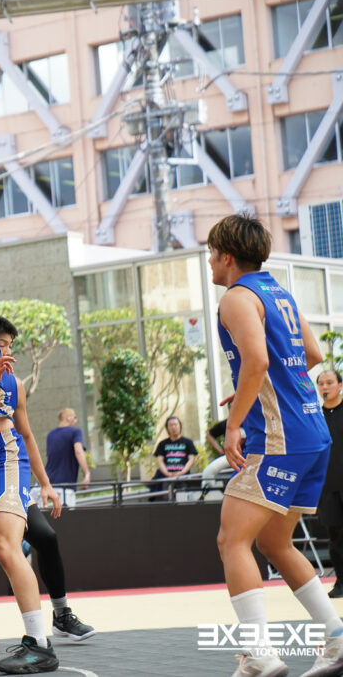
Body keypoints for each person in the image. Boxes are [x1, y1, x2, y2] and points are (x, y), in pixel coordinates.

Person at [208, 213, 343, 677]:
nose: (210, 262)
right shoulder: (278, 291)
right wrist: (257, 389)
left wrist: (233, 424)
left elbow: (258, 360)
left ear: (228, 257)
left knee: (232, 539)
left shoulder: (236, 297)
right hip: (313, 433)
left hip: (280, 437)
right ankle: (336, 636)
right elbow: (312, 354)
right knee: (274, 541)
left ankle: (259, 653)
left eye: (212, 253)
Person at [0, 315, 92, 670]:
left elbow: (26, 434)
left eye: (9, 346)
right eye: (2, 344)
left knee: (12, 545)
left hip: (4, 457)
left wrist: (45, 483)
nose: (7, 352)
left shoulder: (11, 382)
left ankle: (42, 638)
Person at [317, 369, 343, 598]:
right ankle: (341, 582)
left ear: (340, 385)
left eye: (329, 382)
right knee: (335, 536)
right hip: (327, 485)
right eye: (321, 383)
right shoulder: (315, 416)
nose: (325, 387)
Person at [44, 409, 91, 507]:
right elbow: (78, 451)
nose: (76, 421)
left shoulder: (50, 435)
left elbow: (49, 457)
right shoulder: (75, 432)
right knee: (67, 516)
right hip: (66, 487)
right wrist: (87, 473)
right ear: (68, 418)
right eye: (75, 417)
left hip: (47, 485)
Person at [148, 416, 198, 499]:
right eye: (171, 425)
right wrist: (167, 473)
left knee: (183, 500)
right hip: (167, 478)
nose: (173, 427)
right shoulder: (162, 444)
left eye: (175, 424)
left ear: (180, 426)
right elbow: (160, 461)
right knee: (167, 500)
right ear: (167, 428)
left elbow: (191, 460)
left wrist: (182, 472)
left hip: (183, 478)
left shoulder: (188, 442)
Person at [201, 417, 234, 497]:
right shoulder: (226, 423)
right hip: (231, 457)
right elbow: (210, 434)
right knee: (208, 471)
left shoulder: (252, 421)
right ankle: (208, 496)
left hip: (252, 456)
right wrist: (220, 450)